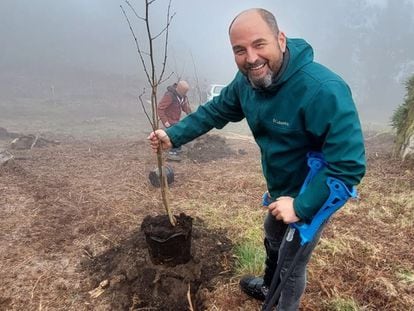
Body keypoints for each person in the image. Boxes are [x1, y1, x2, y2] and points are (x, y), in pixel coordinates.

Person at [149, 8, 366, 310]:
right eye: (240, 50)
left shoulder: (323, 90)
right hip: (281, 189)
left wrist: (301, 206)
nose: (250, 58)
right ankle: (268, 285)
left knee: (292, 264)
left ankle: (281, 304)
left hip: (312, 191)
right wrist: (174, 135)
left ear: (280, 39)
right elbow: (215, 111)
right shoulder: (246, 83)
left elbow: (348, 166)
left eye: (259, 44)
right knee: (272, 232)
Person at [157, 80, 192, 159]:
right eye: (184, 92)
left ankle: (177, 148)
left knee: (181, 131)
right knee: (176, 134)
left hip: (176, 120)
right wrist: (165, 121)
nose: (185, 94)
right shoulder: (169, 95)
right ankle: (172, 152)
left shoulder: (181, 96)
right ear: (179, 89)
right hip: (169, 120)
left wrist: (190, 114)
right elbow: (160, 108)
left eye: (186, 92)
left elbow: (184, 106)